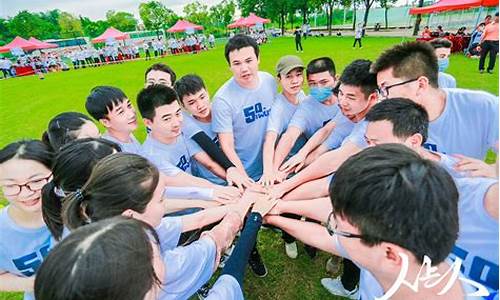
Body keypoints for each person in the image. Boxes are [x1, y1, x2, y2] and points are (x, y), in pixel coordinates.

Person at [266, 144, 481, 299]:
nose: (332, 229)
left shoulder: (385, 260)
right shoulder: (398, 256)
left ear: (391, 254)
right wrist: (275, 213)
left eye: (336, 228)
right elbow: (328, 238)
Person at [60, 152, 251, 299]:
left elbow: (193, 221)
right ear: (131, 214)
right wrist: (248, 207)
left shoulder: (113, 224)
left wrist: (234, 205)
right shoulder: (158, 267)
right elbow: (214, 243)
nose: (166, 205)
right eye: (161, 200)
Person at [212, 34, 278, 277]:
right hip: (244, 172)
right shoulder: (222, 99)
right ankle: (252, 254)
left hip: (271, 164)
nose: (244, 68)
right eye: (237, 63)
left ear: (258, 59)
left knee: (274, 208)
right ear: (229, 66)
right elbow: (226, 145)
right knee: (245, 221)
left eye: (249, 60)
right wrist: (243, 176)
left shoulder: (270, 81)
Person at [145, 63, 253, 191]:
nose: (200, 105)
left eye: (202, 97)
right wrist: (235, 177)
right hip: (218, 183)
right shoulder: (182, 125)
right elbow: (208, 158)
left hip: (239, 174)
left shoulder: (222, 109)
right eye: (151, 82)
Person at [0, 140, 54, 300]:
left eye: (36, 181)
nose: (25, 193)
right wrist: (32, 284)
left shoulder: (76, 207)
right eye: (10, 185)